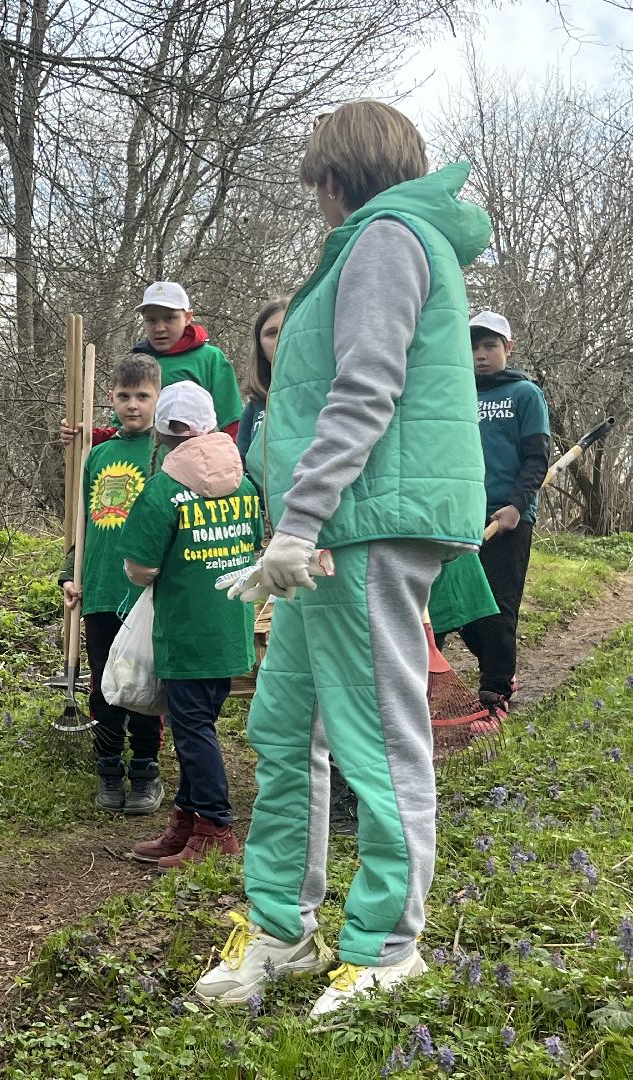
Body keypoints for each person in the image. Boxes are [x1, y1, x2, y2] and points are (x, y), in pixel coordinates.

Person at [195, 101, 490, 1019]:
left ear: (338, 175)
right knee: (284, 729)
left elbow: (366, 390)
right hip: (331, 531)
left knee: (379, 736)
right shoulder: (371, 242)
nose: (315, 200)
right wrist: (296, 521)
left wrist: (302, 520)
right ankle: (285, 926)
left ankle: (388, 947)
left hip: (363, 524)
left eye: (317, 182)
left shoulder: (388, 238)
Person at [121, 382, 262, 868]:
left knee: (192, 730)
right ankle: (187, 819)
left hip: (186, 631)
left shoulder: (163, 491)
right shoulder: (244, 485)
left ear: (163, 432)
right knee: (196, 724)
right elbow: (253, 545)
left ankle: (217, 827)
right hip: (230, 629)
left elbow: (142, 567)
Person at [57, 355, 164, 813]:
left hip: (146, 593)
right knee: (104, 683)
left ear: (159, 397)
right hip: (100, 587)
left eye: (143, 396)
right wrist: (69, 574)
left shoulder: (165, 452)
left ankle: (144, 769)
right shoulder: (97, 456)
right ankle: (108, 767)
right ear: (111, 398)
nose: (133, 405)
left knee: (142, 682)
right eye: (124, 396)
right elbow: (79, 523)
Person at [449, 311, 549, 727]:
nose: (480, 355)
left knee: (498, 606)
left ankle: (494, 695)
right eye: (473, 347)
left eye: (490, 346)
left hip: (508, 515)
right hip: (460, 514)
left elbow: (536, 457)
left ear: (507, 348)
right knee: (461, 605)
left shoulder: (525, 394)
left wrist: (516, 505)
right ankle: (502, 668)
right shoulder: (455, 394)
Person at [65, 281, 242, 447]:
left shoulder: (210, 359)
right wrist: (88, 436)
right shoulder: (138, 363)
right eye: (151, 320)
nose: (159, 328)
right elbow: (124, 431)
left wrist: (229, 465)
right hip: (141, 467)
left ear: (188, 317)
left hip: (193, 465)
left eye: (169, 318)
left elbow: (232, 423)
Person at [235, 297, 288, 468]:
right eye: (272, 333)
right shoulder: (254, 409)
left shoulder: (330, 393)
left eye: (289, 328)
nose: (281, 338)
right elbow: (243, 468)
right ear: (260, 347)